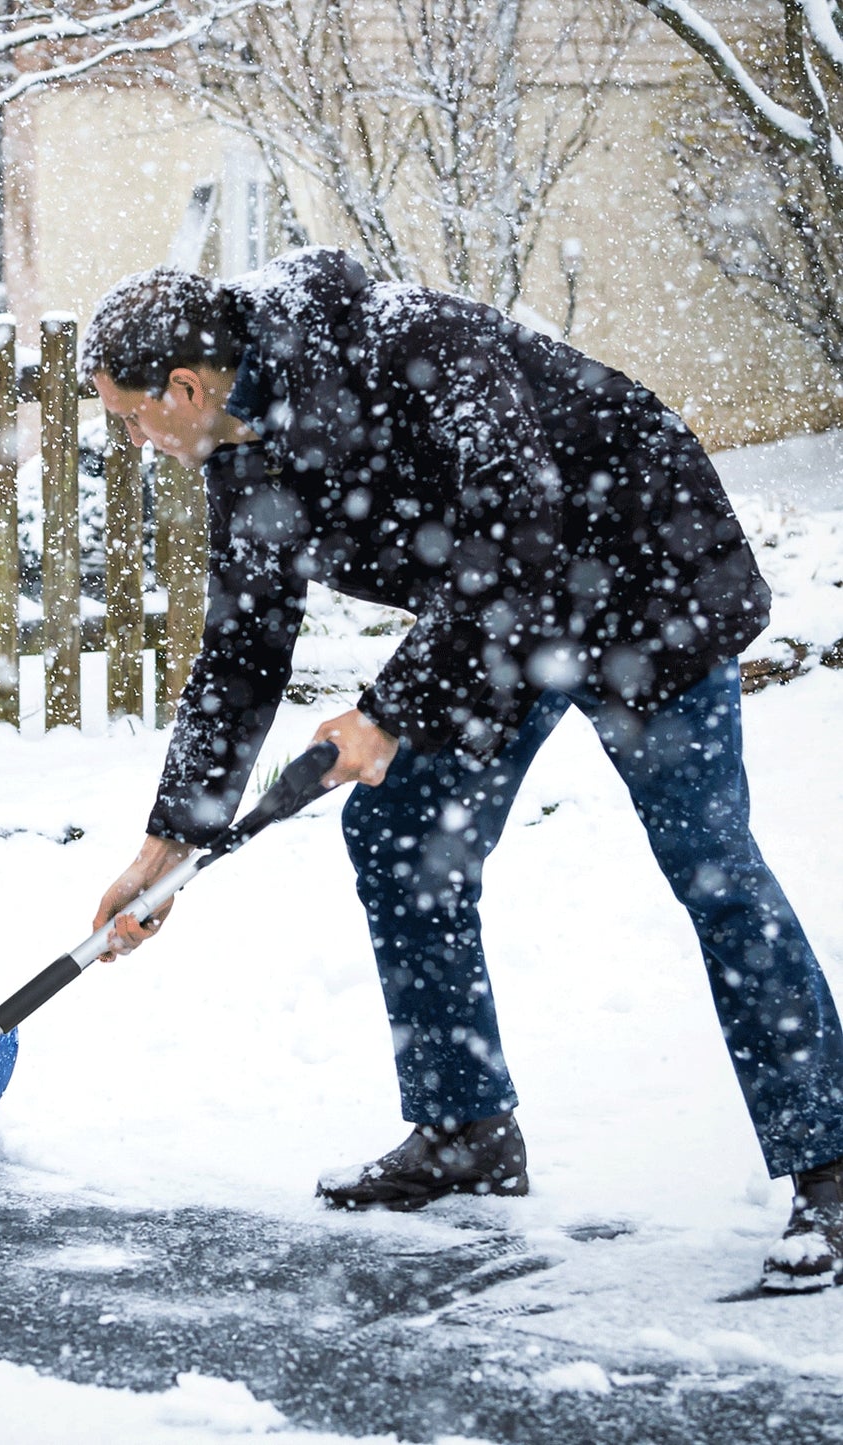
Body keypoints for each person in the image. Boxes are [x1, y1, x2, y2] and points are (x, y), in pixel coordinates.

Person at [80, 246, 843, 1293]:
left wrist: (387, 712)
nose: (131, 438)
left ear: (183, 387)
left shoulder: (404, 343)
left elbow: (516, 525)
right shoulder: (240, 448)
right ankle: (463, 1129)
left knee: (707, 858)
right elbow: (243, 648)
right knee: (398, 835)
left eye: (129, 416)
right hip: (496, 622)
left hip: (641, 577)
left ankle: (829, 1161)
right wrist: (168, 841)